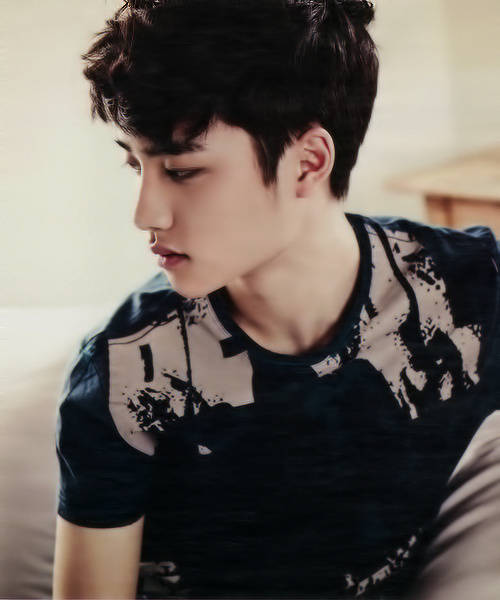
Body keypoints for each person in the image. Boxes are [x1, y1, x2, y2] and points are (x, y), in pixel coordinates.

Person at [52, 1, 500, 598]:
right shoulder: (128, 373)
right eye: (135, 165)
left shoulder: (469, 290)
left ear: (308, 162)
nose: (145, 214)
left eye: (180, 171)